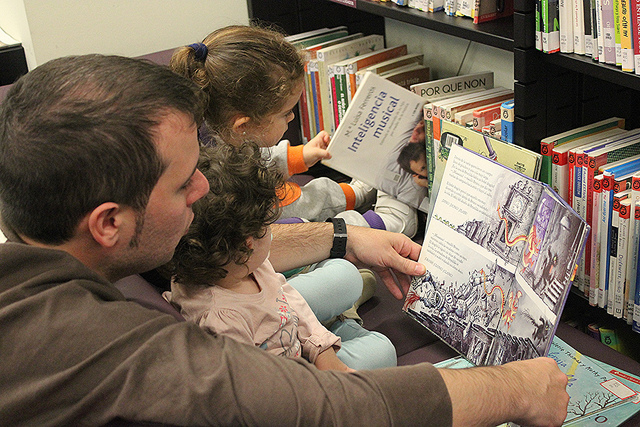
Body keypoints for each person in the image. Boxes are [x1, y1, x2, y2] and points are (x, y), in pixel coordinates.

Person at [0, 54, 569, 426]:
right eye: (183, 182)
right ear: (108, 223)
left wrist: (345, 239)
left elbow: (230, 248)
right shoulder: (98, 346)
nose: (204, 188)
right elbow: (330, 410)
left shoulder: (46, 249)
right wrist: (515, 388)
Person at [169, 24, 418, 237]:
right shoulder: (231, 189)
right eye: (285, 112)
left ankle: (356, 193)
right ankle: (386, 223)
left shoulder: (209, 131)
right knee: (313, 220)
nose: (292, 117)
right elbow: (300, 205)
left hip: (262, 202)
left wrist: (299, 155)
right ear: (243, 125)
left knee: (315, 194)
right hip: (269, 225)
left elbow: (256, 155)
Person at [163, 143, 396, 370]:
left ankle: (336, 324)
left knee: (346, 276)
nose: (272, 231)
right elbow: (263, 389)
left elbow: (287, 300)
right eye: (267, 226)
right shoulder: (223, 325)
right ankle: (343, 321)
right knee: (382, 351)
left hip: (297, 342)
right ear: (247, 245)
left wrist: (322, 348)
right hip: (296, 380)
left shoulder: (246, 265)